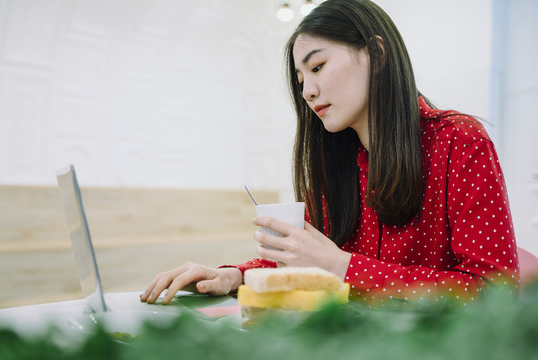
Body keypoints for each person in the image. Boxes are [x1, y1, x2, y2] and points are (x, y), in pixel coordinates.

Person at [141, 0, 519, 306]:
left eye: (318, 67)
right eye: (301, 79)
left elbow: (494, 293)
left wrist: (342, 266)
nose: (306, 92)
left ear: (376, 52)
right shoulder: (335, 161)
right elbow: (309, 260)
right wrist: (233, 275)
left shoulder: (460, 142)